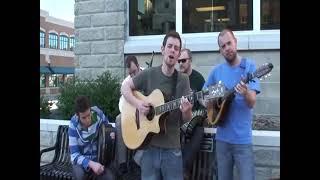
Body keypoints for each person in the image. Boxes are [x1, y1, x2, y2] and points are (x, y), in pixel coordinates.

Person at [121, 31, 193, 180]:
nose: (172, 50)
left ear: (179, 54)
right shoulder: (149, 74)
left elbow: (186, 119)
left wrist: (187, 111)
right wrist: (138, 104)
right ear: (162, 49)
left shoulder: (183, 80)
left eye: (176, 48)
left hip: (172, 150)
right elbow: (125, 88)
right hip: (149, 147)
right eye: (170, 46)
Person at [202, 28, 261, 180]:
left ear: (235, 42)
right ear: (220, 50)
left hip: (242, 141)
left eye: (229, 43)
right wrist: (213, 105)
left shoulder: (249, 68)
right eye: (223, 46)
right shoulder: (217, 72)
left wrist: (246, 92)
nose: (227, 48)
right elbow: (203, 97)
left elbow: (252, 102)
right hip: (222, 140)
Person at [68, 95, 115, 180]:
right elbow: (74, 155)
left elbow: (108, 129)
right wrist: (91, 164)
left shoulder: (98, 114)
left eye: (89, 115)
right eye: (83, 117)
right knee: (80, 176)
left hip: (98, 160)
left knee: (109, 178)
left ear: (90, 110)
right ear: (77, 115)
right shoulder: (73, 125)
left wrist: (112, 134)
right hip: (81, 163)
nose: (87, 120)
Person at [178, 48, 206, 179]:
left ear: (190, 61)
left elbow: (206, 105)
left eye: (183, 60)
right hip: (178, 120)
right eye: (179, 61)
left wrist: (197, 97)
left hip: (195, 120)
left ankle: (184, 169)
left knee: (199, 131)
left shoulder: (198, 78)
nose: (180, 64)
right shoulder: (176, 79)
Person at [115, 55, 144, 174]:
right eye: (130, 73)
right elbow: (122, 104)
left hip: (147, 113)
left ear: (138, 66)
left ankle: (136, 161)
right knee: (118, 119)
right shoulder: (127, 82)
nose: (133, 76)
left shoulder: (147, 75)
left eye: (134, 72)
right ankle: (122, 162)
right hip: (134, 114)